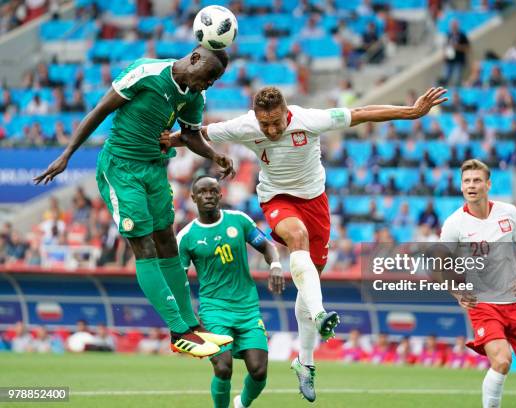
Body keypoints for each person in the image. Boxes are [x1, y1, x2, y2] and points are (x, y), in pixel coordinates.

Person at [162, 85, 447, 401]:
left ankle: (305, 362)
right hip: (277, 199)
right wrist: (170, 139)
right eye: (264, 124)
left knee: (308, 279)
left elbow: (361, 114)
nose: (271, 130)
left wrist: (412, 112)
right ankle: (322, 313)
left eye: (276, 123)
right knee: (296, 239)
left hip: (315, 203)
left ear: (287, 113)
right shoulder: (244, 125)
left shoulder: (310, 119)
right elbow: (200, 133)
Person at [33, 46, 235, 358]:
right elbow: (100, 110)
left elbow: (191, 135)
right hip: (122, 169)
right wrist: (66, 154)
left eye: (215, 80)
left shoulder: (195, 97)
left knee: (168, 241)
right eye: (209, 76)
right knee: (144, 246)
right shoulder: (147, 72)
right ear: (195, 58)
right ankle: (178, 331)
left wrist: (214, 154)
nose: (208, 84)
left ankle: (192, 325)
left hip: (155, 169)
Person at [439, 159, 516, 408]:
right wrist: (457, 291)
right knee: (502, 361)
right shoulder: (454, 225)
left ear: (488, 184)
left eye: (476, 180)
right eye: (466, 181)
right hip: (483, 304)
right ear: (461, 186)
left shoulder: (509, 213)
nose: (471, 185)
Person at [177, 176, 284, 408]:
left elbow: (267, 246)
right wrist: (187, 319)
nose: (208, 196)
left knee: (259, 371)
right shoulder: (186, 237)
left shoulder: (239, 221)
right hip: (214, 310)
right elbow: (179, 282)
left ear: (220, 195)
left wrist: (275, 265)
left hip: (247, 309)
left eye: (213, 191)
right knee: (223, 368)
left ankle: (242, 403)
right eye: (203, 192)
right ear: (193, 197)